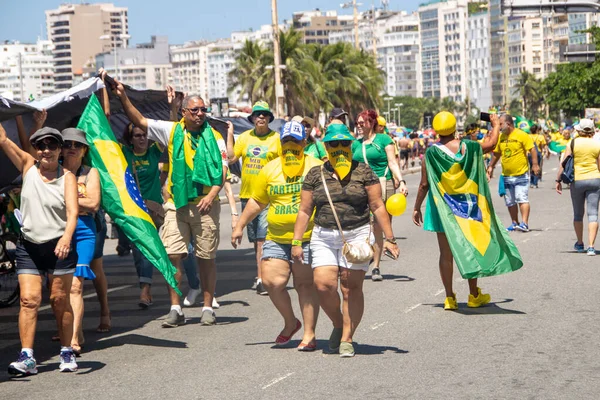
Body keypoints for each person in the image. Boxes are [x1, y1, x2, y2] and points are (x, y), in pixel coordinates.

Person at [112, 79, 228, 327]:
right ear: (184, 113)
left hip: (205, 204)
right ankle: (176, 308)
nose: (200, 114)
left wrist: (210, 195)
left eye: (203, 110)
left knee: (206, 257)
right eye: (194, 110)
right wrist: (123, 96)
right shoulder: (173, 130)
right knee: (172, 253)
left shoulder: (215, 136)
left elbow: (223, 171)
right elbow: (140, 120)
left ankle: (207, 307)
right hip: (177, 203)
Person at [292, 124, 400, 357]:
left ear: (350, 145)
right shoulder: (315, 174)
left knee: (350, 288)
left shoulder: (363, 172)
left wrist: (390, 239)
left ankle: (347, 338)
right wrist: (296, 241)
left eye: (344, 143)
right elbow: (304, 210)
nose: (339, 148)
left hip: (358, 234)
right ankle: (339, 324)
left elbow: (378, 206)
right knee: (323, 285)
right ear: (326, 146)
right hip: (323, 235)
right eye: (334, 144)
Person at [232, 121, 321, 350]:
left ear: (304, 142)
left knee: (304, 285)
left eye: (295, 141)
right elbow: (257, 201)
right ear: (281, 144)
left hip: (307, 237)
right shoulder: (270, 169)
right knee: (272, 281)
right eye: (286, 141)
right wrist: (239, 225)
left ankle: (309, 335)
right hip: (276, 237)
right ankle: (291, 322)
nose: (290, 145)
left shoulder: (316, 167)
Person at [1, 125, 79, 374]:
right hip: (29, 247)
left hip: (59, 246)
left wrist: (67, 237)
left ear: (60, 150)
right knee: (28, 300)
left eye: (52, 145)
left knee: (59, 300)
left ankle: (66, 351)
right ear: (35, 149)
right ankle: (27, 357)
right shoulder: (27, 165)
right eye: (41, 146)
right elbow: (3, 139)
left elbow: (73, 212)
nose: (46, 150)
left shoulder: (67, 177)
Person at [412, 111, 503, 310]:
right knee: (470, 247)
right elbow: (492, 145)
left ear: (436, 130)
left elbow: (424, 185)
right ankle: (473, 295)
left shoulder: (430, 152)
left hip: (443, 208)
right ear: (454, 127)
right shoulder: (468, 146)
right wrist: (495, 124)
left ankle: (449, 298)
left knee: (445, 254)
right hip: (468, 206)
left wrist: (417, 207)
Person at [226, 101, 281, 296]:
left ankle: (261, 278)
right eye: (257, 114)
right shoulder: (245, 138)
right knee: (255, 239)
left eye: (265, 114)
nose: (261, 117)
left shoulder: (276, 138)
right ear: (252, 118)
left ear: (269, 118)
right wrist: (230, 134)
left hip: (267, 196)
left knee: (262, 239)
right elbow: (231, 158)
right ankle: (264, 274)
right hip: (247, 195)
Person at [60, 128, 101, 355]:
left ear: (84, 150)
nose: (72, 149)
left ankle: (74, 339)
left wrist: (65, 199)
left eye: (77, 145)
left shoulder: (90, 173)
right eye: (68, 144)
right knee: (59, 287)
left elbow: (94, 203)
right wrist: (78, 199)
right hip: (59, 231)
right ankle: (71, 328)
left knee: (76, 285)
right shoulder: (54, 172)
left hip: (85, 231)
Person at [353, 110, 407, 282]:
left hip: (384, 185)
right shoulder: (355, 144)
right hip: (362, 187)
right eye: (358, 122)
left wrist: (401, 180)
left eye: (363, 122)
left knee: (377, 225)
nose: (360, 125)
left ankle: (375, 266)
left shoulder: (384, 139)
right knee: (363, 224)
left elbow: (392, 162)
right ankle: (367, 255)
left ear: (372, 122)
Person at [487, 115, 540, 232]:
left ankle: (524, 223)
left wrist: (535, 165)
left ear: (508, 124)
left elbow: (532, 149)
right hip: (506, 175)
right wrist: (491, 166)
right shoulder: (501, 137)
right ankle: (514, 222)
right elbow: (496, 154)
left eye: (500, 124)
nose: (499, 127)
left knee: (522, 198)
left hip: (521, 174)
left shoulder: (521, 135)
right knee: (510, 201)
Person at [556, 118, 600, 255]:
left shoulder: (573, 143)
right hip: (594, 179)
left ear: (579, 130)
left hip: (577, 181)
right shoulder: (596, 144)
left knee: (578, 214)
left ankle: (580, 243)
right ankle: (591, 247)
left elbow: (564, 163)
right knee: (593, 213)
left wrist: (558, 180)